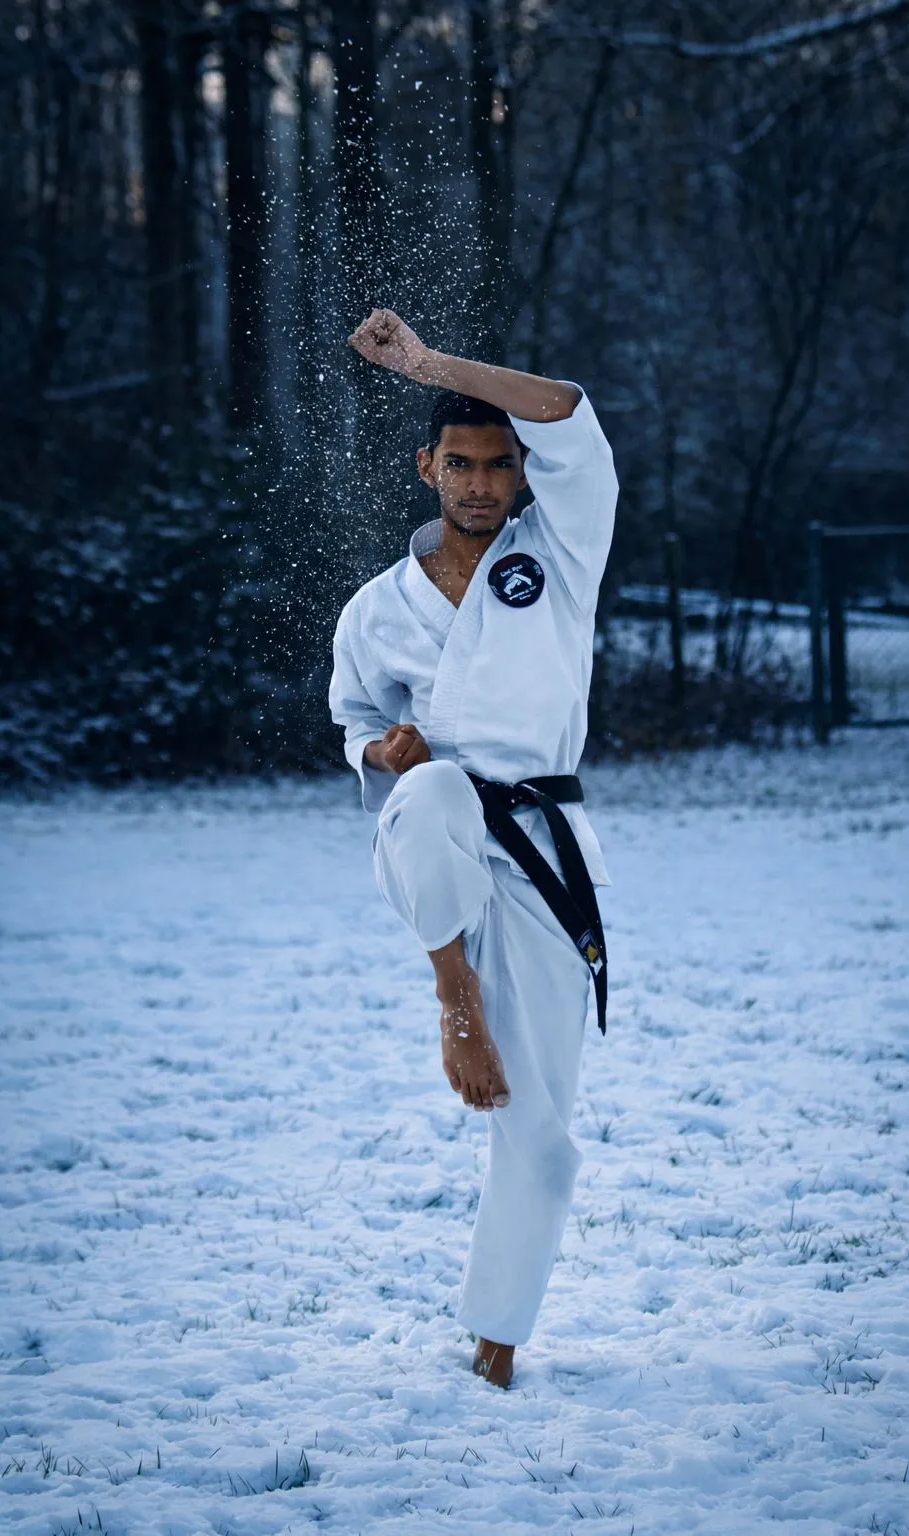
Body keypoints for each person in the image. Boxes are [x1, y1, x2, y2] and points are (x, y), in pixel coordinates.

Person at [329, 308, 618, 1388]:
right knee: (439, 780)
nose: (483, 483)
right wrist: (383, 748)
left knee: (540, 1136)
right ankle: (456, 1003)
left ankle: (495, 1342)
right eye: (461, 462)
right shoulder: (375, 609)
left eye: (500, 465)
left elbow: (570, 411)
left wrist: (429, 365)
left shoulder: (565, 554)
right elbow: (351, 724)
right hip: (426, 836)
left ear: (525, 476)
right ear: (426, 466)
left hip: (540, 841)